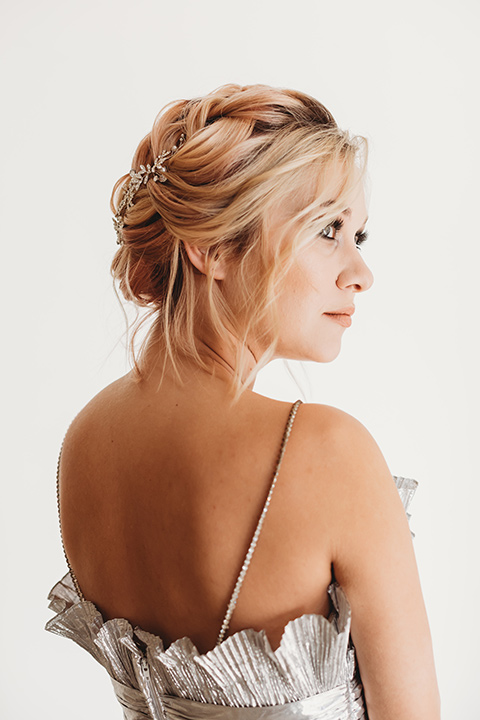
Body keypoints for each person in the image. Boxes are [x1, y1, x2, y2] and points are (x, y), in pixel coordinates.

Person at [45, 83, 440, 720]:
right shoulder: (327, 452)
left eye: (357, 236)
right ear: (213, 248)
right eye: (327, 230)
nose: (360, 273)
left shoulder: (84, 441)